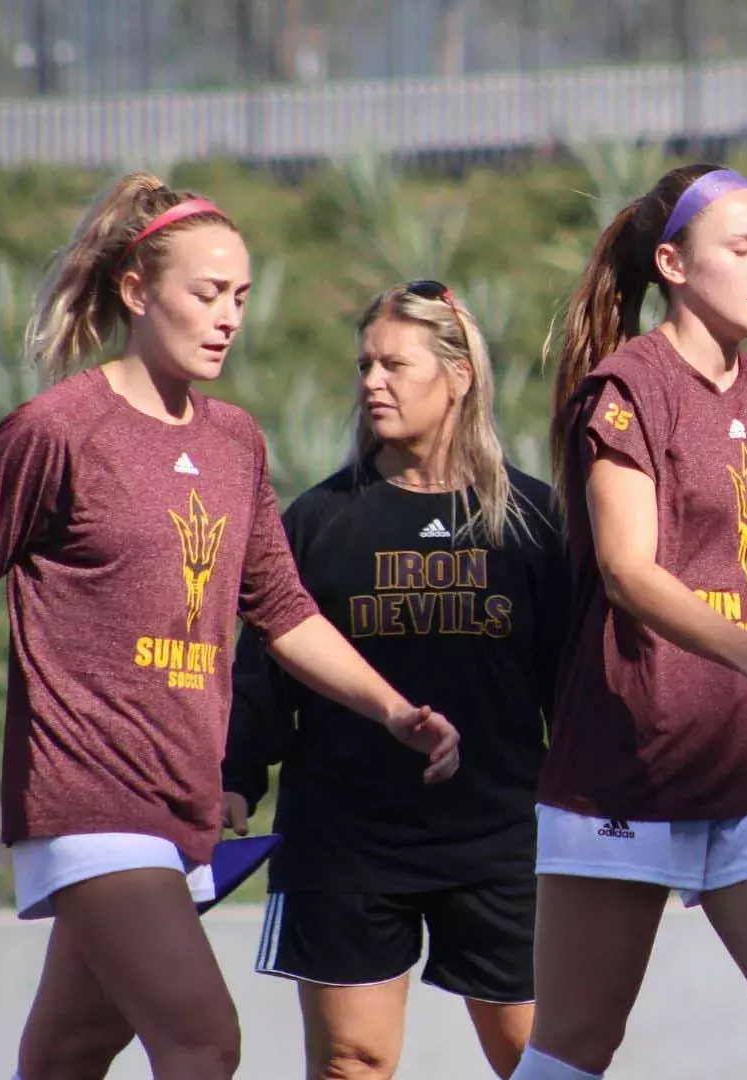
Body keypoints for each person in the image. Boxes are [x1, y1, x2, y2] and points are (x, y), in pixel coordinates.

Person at [0, 174, 460, 1080]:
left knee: (69, 1051)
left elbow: (284, 613)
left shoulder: (235, 441)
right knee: (204, 1043)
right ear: (137, 292)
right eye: (206, 294)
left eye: (240, 297)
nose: (228, 317)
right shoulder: (54, 432)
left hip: (182, 807)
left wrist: (391, 708)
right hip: (87, 801)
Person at [507, 163, 747, 1080]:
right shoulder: (630, 386)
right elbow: (630, 573)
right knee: (574, 1051)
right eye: (742, 248)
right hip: (627, 770)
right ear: (672, 262)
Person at [221, 280, 561, 1079]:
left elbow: (574, 686)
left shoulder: (535, 523)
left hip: (500, 837)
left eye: (394, 365)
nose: (371, 381)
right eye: (364, 365)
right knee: (352, 1062)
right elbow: (263, 670)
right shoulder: (315, 521)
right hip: (346, 841)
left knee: (543, 1061)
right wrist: (234, 780)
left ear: (459, 375)